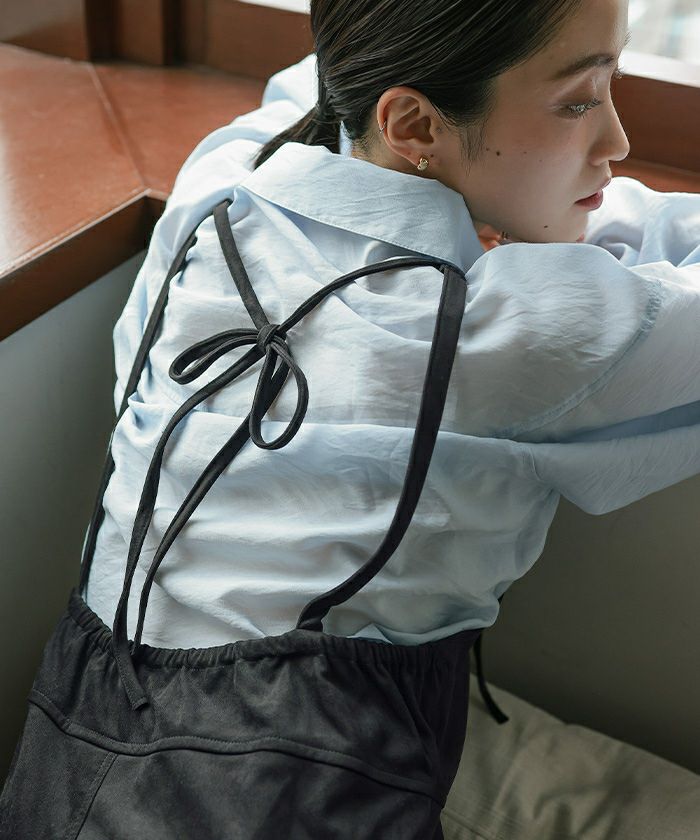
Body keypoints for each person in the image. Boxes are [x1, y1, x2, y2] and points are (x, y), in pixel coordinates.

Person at [3, 0, 699, 837]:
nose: (617, 141)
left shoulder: (221, 189)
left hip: (63, 760)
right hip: (295, 800)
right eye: (580, 100)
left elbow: (331, 71)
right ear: (414, 124)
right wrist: (587, 219)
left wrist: (534, 190)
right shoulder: (503, 327)